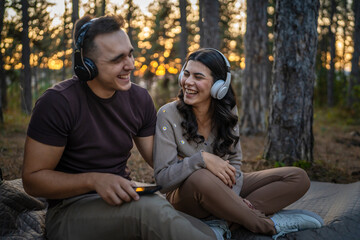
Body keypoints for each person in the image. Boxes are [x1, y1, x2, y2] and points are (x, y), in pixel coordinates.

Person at [22, 15, 218, 240]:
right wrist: (94, 180)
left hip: (125, 199)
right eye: (117, 59)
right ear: (86, 65)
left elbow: (160, 160)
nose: (130, 65)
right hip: (69, 210)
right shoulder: (57, 103)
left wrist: (202, 159)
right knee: (150, 211)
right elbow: (32, 180)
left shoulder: (139, 98)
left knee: (181, 217)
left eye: (130, 54)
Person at [153, 48, 324, 240]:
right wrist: (200, 159)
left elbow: (235, 162)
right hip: (188, 197)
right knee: (200, 176)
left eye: (198, 77)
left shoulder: (227, 110)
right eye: (186, 74)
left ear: (219, 85)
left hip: (226, 188)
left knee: (298, 177)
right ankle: (268, 225)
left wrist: (232, 200)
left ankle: (224, 223)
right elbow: (162, 180)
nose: (188, 82)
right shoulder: (167, 114)